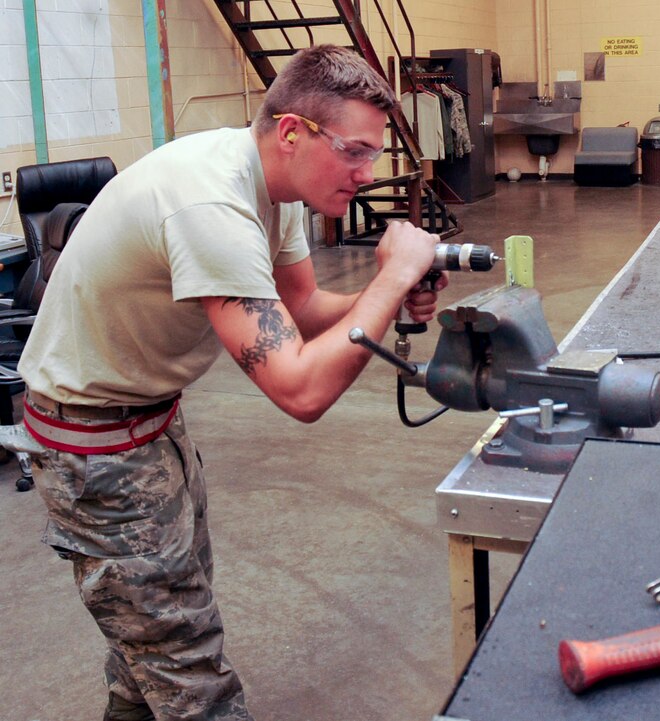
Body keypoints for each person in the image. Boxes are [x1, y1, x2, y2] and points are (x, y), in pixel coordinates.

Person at [17, 45, 446, 721]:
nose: (367, 174)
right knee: (192, 681)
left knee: (149, 655)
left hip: (151, 426)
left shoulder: (275, 185)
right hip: (98, 452)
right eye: (355, 151)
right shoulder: (210, 202)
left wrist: (384, 295)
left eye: (374, 155)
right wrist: (390, 279)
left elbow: (300, 311)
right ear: (291, 133)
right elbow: (299, 388)